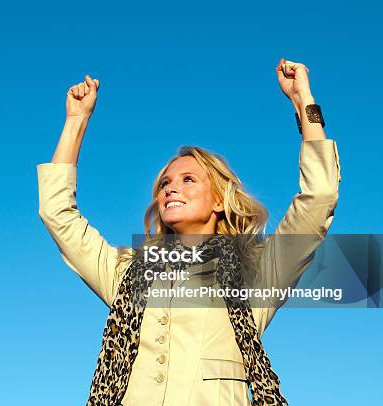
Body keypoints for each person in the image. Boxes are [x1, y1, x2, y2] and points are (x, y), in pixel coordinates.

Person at [36, 59, 341, 406]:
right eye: (165, 182)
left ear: (218, 202)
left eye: (188, 180)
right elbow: (57, 213)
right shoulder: (125, 273)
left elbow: (319, 199)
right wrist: (76, 122)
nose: (170, 189)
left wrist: (304, 104)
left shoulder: (257, 271)